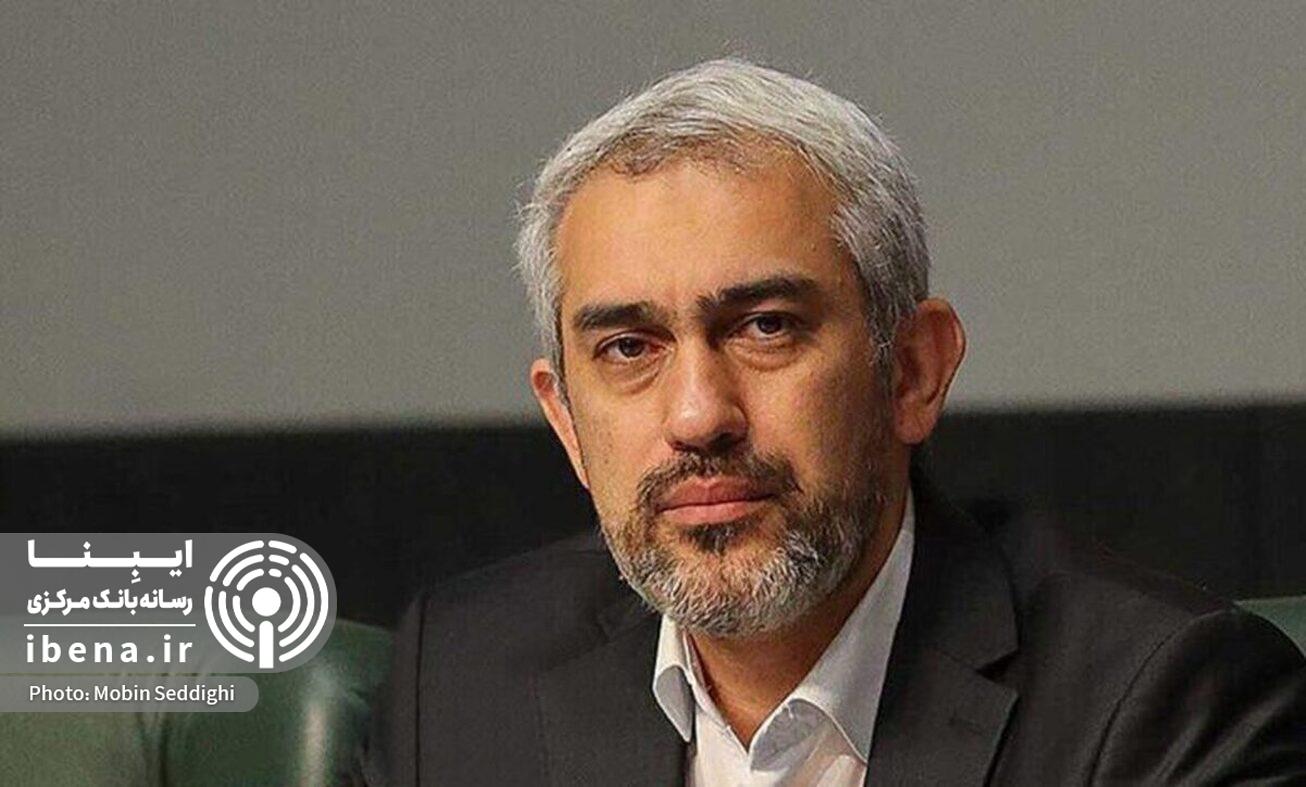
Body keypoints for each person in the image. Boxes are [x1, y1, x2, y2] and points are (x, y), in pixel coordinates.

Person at [355, 59, 1306, 785]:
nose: (698, 415)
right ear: (565, 419)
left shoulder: (1164, 707)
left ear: (914, 370)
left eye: (766, 327)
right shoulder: (459, 681)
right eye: (629, 347)